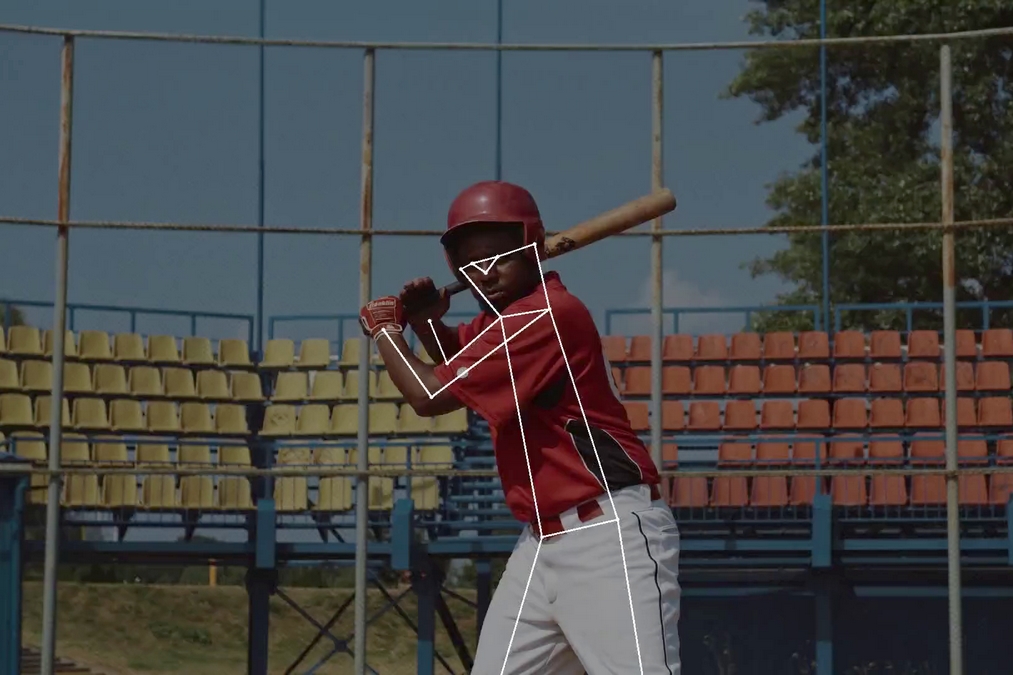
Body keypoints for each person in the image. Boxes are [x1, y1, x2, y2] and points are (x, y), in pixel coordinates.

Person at [359, 180, 681, 674]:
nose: (484, 274)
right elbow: (462, 370)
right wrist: (425, 325)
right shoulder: (509, 323)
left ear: (532, 245)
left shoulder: (547, 314)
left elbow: (429, 396)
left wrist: (385, 330)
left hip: (607, 534)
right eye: (471, 264)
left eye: (497, 257)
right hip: (540, 542)